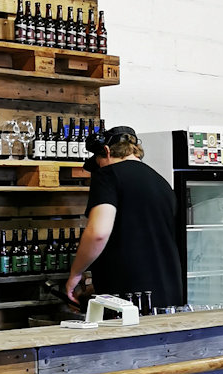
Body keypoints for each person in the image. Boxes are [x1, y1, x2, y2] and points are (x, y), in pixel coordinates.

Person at [65, 125, 184, 309]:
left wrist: (76, 273)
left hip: (130, 298)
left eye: (98, 162)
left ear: (106, 151)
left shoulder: (108, 175)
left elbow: (98, 233)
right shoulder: (162, 183)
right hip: (169, 291)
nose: (99, 168)